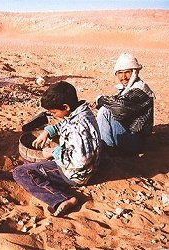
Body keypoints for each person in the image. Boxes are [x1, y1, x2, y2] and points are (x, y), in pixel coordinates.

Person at [13, 81, 102, 216]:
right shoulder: (79, 113)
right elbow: (68, 124)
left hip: (76, 173)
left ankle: (61, 198)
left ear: (65, 107)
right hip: (85, 167)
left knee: (21, 172)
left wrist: (54, 152)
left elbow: (80, 161)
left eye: (54, 112)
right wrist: (49, 131)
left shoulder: (80, 126)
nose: (53, 115)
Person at [93, 53, 155, 154]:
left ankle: (107, 149)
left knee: (105, 111)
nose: (123, 77)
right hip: (130, 137)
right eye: (120, 73)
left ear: (135, 72)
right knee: (106, 109)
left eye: (127, 72)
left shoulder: (139, 90)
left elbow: (119, 107)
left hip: (136, 141)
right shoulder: (128, 88)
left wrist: (101, 100)